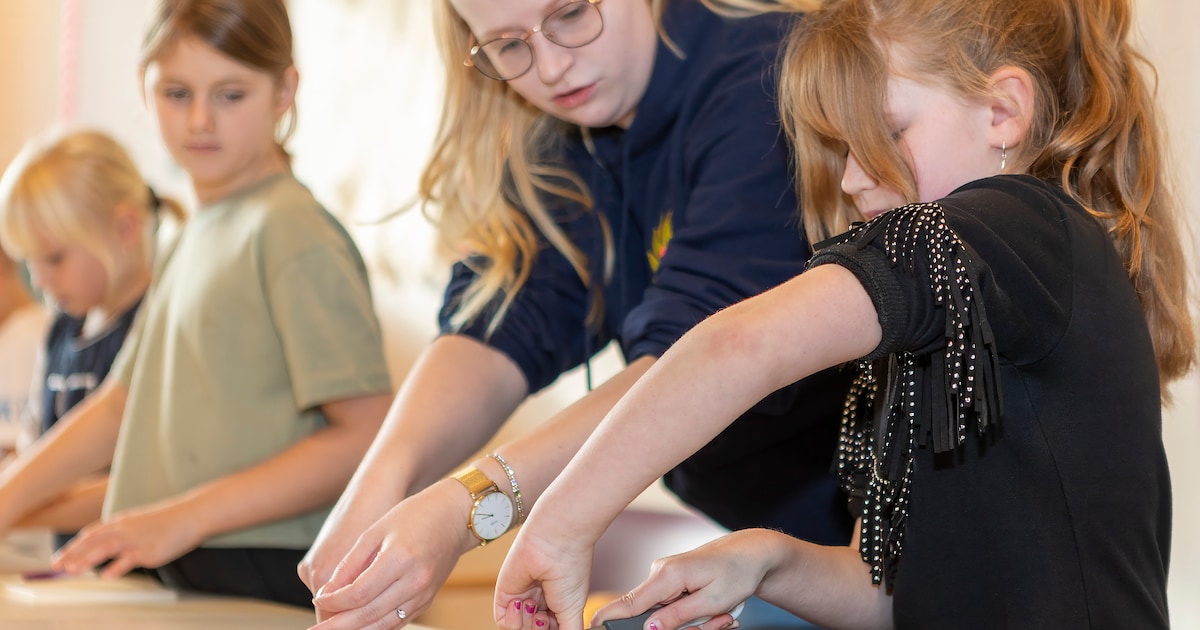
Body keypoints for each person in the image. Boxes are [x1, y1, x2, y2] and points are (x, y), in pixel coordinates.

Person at [494, 0, 1197, 628]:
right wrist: (760, 560)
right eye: (843, 150)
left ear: (1002, 113)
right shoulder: (925, 331)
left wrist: (560, 524)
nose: (854, 179)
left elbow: (741, 345)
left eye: (887, 132)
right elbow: (885, 594)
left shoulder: (1025, 225)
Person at [301, 0, 852, 627]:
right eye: (508, 45)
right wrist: (379, 484)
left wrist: (466, 508)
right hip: (771, 546)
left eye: (570, 14)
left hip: (863, 552)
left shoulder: (764, 77)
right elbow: (507, 317)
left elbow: (694, 365)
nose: (551, 67)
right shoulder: (571, 126)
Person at [0, 0, 393, 608]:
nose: (201, 120)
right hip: (190, 564)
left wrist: (184, 516)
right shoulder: (192, 234)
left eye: (230, 95)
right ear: (144, 86)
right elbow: (117, 407)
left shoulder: (292, 231)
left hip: (271, 571)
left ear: (284, 91)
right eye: (176, 93)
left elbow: (367, 435)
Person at [0, 130, 184, 544]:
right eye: (29, 262)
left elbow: (145, 489)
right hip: (71, 568)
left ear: (124, 228)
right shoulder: (59, 331)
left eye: (53, 258)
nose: (38, 280)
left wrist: (15, 508)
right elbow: (32, 454)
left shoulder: (157, 322)